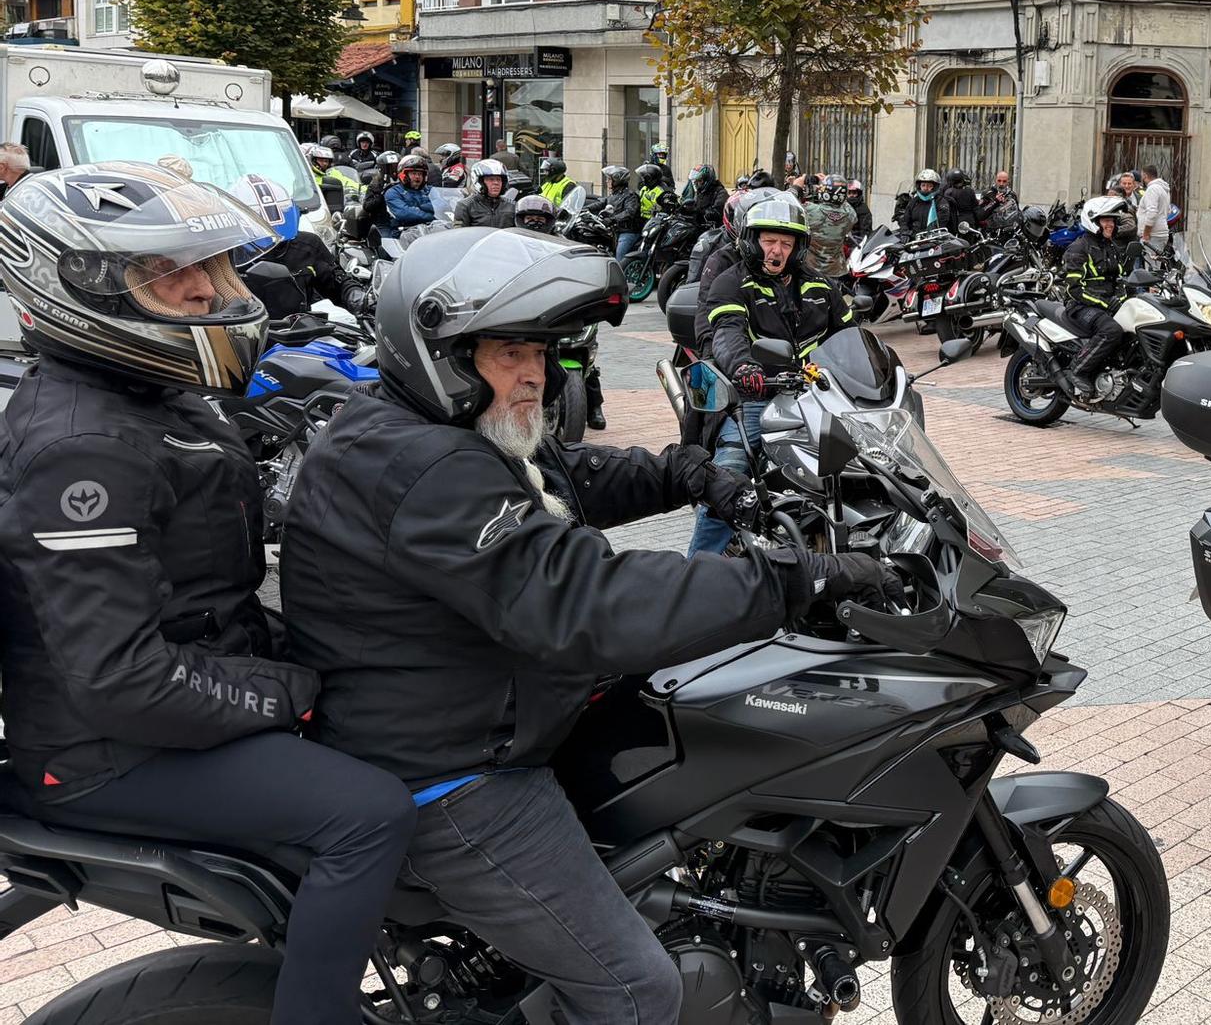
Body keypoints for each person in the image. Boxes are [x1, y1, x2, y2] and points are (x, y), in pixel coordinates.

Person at [281, 227, 895, 1025]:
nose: (535, 372)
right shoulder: (425, 470)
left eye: (543, 351)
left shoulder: (428, 430)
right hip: (457, 775)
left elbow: (561, 478)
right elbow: (587, 604)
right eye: (511, 353)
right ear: (442, 352)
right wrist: (790, 580)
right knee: (640, 991)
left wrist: (692, 475)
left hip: (476, 716)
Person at [0, 163, 417, 1025]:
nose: (204, 291)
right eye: (169, 275)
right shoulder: (82, 445)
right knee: (367, 815)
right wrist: (295, 690)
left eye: (208, 268)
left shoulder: (158, 395)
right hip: (104, 751)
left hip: (164, 705)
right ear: (77, 283)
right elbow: (122, 678)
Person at [693, 195, 856, 555]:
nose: (777, 250)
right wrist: (743, 367)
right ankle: (696, 569)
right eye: (769, 240)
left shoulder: (820, 287)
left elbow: (850, 337)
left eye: (786, 242)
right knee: (729, 477)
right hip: (759, 397)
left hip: (819, 397)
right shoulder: (731, 283)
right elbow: (726, 333)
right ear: (753, 241)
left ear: (798, 247)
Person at [230, 172, 374, 317]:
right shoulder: (228, 257)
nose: (274, 240)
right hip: (252, 333)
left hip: (305, 328)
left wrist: (354, 295)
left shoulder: (308, 244)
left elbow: (335, 280)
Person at [1061, 195, 1139, 401]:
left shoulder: (1110, 246)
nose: (1110, 224)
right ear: (1092, 220)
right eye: (1105, 220)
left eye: (1112, 220)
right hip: (1080, 307)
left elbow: (1120, 278)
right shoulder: (1079, 248)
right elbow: (1074, 289)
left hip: (1106, 304)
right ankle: (1077, 369)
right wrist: (1106, 302)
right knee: (1111, 330)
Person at [805, 180, 856, 273]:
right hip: (836, 270)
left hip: (811, 268)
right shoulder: (849, 215)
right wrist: (838, 189)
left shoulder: (811, 210)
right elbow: (849, 208)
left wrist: (796, 186)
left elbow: (791, 204)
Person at [383, 153, 438, 236]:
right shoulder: (393, 192)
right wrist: (431, 215)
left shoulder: (430, 190)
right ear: (404, 175)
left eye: (420, 174)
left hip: (431, 230)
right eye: (413, 173)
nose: (417, 177)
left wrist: (420, 207)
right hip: (404, 233)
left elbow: (441, 206)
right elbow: (405, 213)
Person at [455, 159, 517, 230]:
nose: (496, 183)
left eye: (498, 179)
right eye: (491, 179)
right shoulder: (465, 206)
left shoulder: (512, 206)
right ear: (479, 182)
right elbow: (460, 234)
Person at [599, 166, 641, 259]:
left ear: (617, 180)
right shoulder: (614, 194)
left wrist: (612, 219)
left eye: (609, 179)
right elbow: (601, 203)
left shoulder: (630, 196)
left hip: (628, 232)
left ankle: (620, 272)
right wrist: (584, 208)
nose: (606, 181)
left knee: (619, 256)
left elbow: (629, 212)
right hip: (615, 230)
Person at [1136, 165, 1173, 258]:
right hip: (1160, 232)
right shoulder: (1163, 189)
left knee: (1151, 269)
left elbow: (1152, 212)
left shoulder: (1152, 189)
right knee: (1155, 267)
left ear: (1144, 175)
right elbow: (1168, 211)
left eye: (1142, 175)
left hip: (1152, 235)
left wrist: (1146, 234)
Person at [900, 168, 945, 234]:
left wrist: (926, 235)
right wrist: (905, 232)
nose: (926, 188)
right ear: (919, 186)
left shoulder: (940, 202)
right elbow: (905, 220)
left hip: (933, 238)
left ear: (935, 187)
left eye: (930, 186)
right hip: (914, 237)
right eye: (923, 185)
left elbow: (941, 221)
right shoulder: (914, 201)